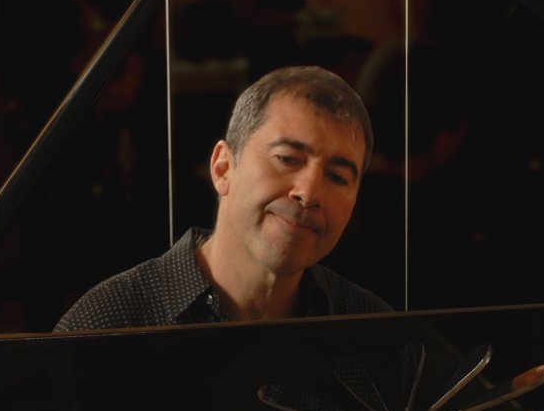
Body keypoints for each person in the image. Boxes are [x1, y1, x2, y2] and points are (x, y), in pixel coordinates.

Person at [54, 65, 392, 331]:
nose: (308, 192)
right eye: (288, 159)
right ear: (223, 167)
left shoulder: (378, 332)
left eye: (336, 177)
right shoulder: (108, 322)